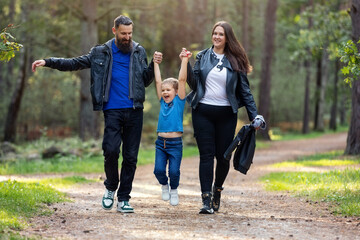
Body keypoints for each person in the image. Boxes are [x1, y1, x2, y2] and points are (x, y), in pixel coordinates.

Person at [31, 15, 163, 213]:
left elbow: (144, 81)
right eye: (123, 33)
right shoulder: (100, 52)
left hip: (135, 110)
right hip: (112, 110)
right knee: (110, 150)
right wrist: (48, 61)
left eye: (130, 33)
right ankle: (111, 187)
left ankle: (123, 198)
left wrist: (153, 64)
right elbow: (74, 63)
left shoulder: (139, 51)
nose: (127, 37)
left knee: (130, 157)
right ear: (114, 31)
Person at [186, 21, 261, 214]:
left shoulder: (236, 60)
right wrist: (185, 63)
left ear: (227, 38)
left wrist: (255, 116)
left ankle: (217, 190)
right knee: (206, 156)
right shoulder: (202, 56)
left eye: (221, 34)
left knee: (223, 156)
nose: (217, 37)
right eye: (214, 33)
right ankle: (205, 199)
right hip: (202, 111)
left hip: (226, 115)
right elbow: (194, 84)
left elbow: (245, 91)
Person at [152, 48, 192, 206]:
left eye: (168, 90)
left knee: (174, 172)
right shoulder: (162, 102)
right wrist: (155, 64)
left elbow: (182, 80)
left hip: (175, 144)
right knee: (158, 171)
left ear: (176, 92)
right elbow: (157, 81)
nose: (164, 92)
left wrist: (184, 60)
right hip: (160, 143)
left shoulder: (179, 101)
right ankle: (164, 185)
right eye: (163, 90)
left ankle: (174, 189)